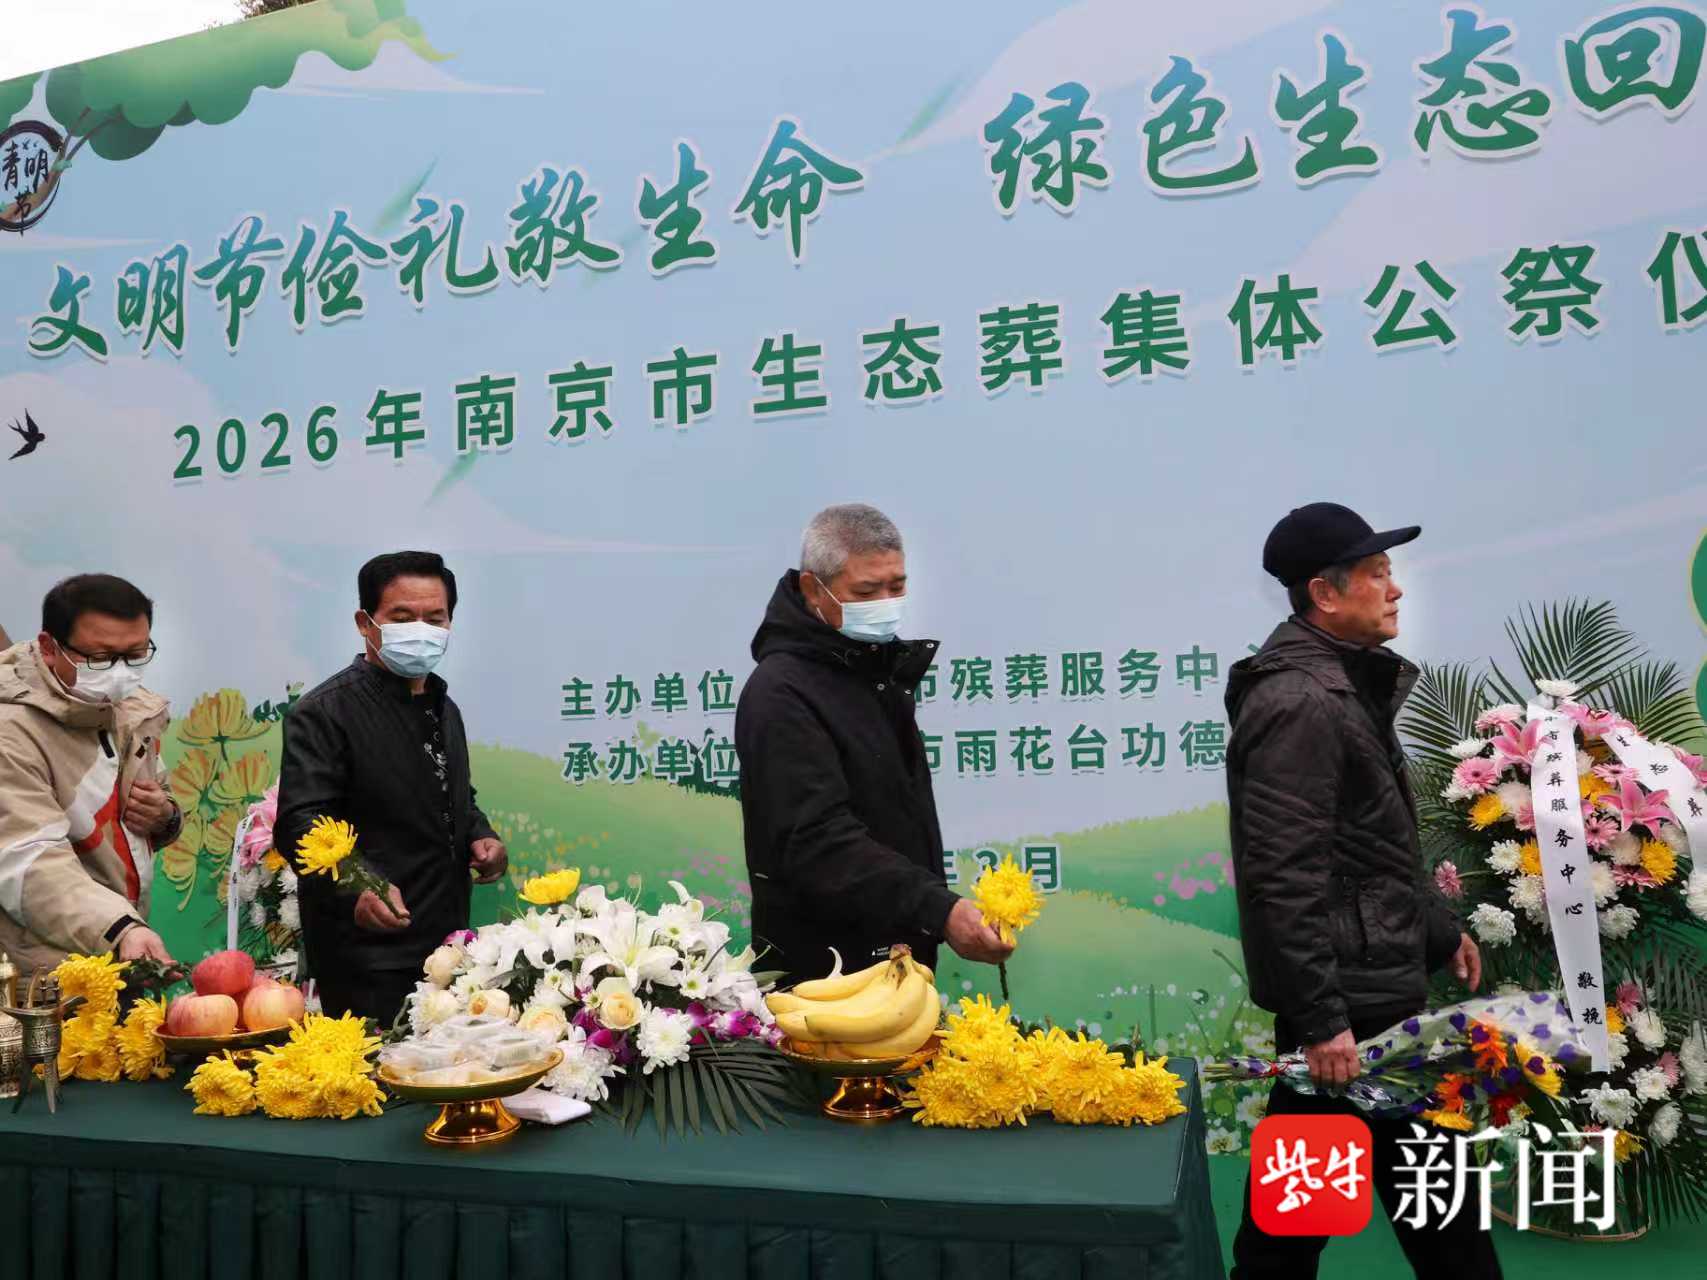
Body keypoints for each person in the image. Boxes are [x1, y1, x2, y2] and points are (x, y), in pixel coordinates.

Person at [1226, 503, 1497, 1279]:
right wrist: (1321, 1021)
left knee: (1299, 1227)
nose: (1395, 589)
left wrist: (1436, 928)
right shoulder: (1300, 701)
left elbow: (1368, 846)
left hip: (1361, 997)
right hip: (1353, 1012)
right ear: (1324, 593)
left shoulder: (1334, 684)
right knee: (1439, 1223)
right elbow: (1283, 873)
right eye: (1376, 574)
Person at [736, 503, 1012, 982]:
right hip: (825, 975)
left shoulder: (874, 671)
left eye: (897, 586)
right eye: (866, 591)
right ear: (813, 589)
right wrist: (939, 909)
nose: (886, 602)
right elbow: (817, 841)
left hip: (897, 954)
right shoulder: (780, 693)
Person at [275, 551, 506, 1027]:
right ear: (366, 623)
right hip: (367, 957)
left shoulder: (445, 707)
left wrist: (481, 834)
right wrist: (360, 884)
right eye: (402, 618)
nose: (421, 629)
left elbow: (452, 794)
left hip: (447, 948)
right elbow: (301, 824)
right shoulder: (324, 712)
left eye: (434, 619)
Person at [0, 574, 180, 978]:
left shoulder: (131, 708)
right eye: (101, 658)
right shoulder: (10, 731)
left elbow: (159, 800)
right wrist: (120, 928)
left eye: (136, 655)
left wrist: (165, 817)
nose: (120, 673)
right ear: (49, 648)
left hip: (119, 951)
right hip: (40, 975)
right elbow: (27, 859)